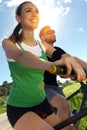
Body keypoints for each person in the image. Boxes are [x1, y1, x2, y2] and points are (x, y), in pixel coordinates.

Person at [2, 1, 86, 130]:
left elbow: (59, 54)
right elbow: (21, 56)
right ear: (18, 18)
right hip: (20, 108)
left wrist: (70, 62)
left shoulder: (42, 44)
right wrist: (51, 64)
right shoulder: (9, 43)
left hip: (41, 103)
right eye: (29, 10)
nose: (34, 14)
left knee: (68, 129)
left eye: (37, 11)